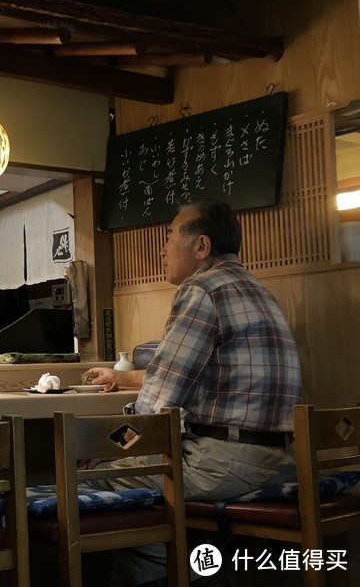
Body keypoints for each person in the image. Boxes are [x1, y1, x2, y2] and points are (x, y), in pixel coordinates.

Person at [83, 199, 302, 586]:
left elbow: (158, 403)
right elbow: (200, 377)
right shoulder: (257, 288)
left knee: (93, 482)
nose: (162, 249)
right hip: (282, 458)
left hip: (228, 463)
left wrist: (107, 449)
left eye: (169, 237)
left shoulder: (202, 288)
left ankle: (173, 570)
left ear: (201, 247)